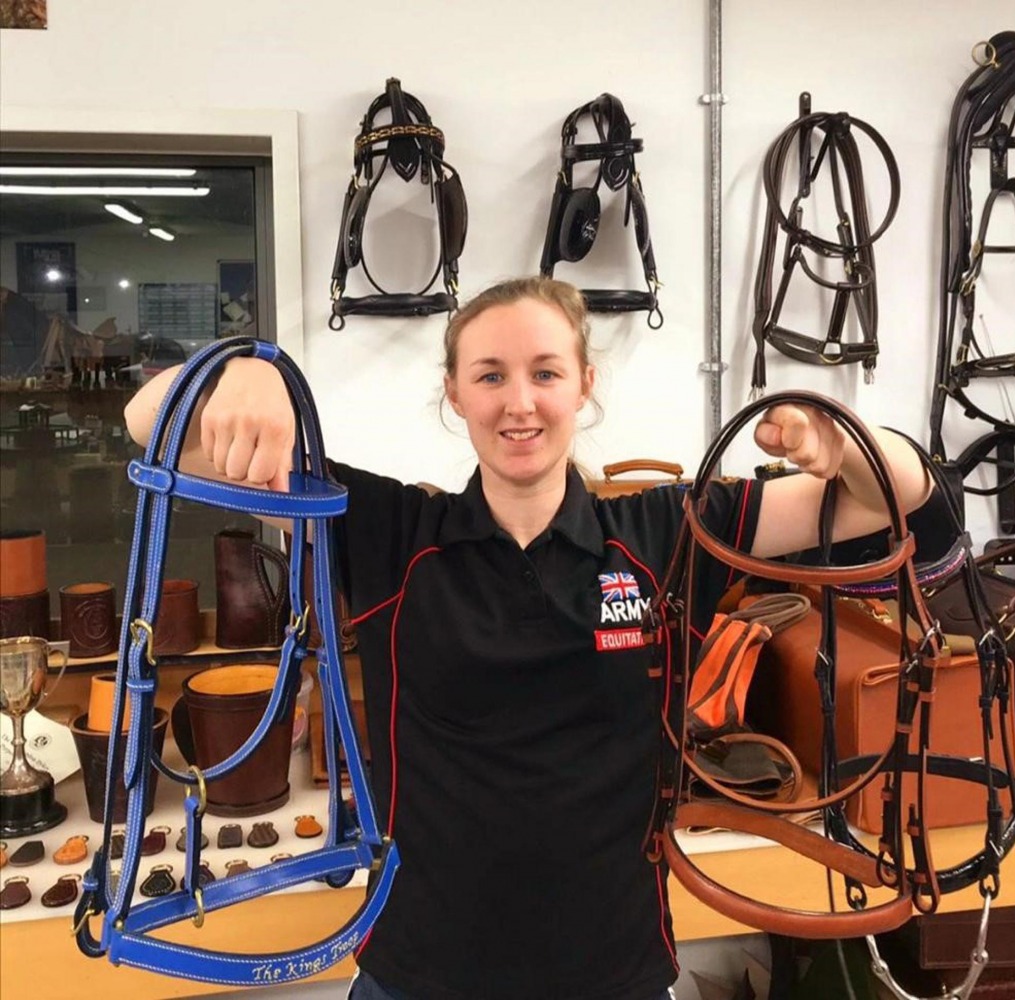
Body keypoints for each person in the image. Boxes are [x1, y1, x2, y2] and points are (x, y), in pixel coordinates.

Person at [124, 277, 931, 1000]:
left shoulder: (666, 533)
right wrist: (246, 369)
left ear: (583, 385)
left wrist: (839, 442)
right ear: (454, 393)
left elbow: (898, 493)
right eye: (490, 376)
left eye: (545, 372)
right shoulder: (389, 534)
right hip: (419, 974)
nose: (519, 403)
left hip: (613, 973)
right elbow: (147, 421)